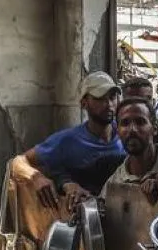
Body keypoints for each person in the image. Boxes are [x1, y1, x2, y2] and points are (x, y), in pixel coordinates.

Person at [23, 72, 123, 208]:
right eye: (100, 98)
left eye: (112, 97)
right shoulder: (67, 140)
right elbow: (21, 161)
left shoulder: (126, 135)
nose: (109, 104)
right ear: (84, 103)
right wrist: (37, 177)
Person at [122, 76, 158, 148]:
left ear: (153, 101)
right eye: (135, 99)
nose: (141, 105)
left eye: (146, 99)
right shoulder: (112, 131)